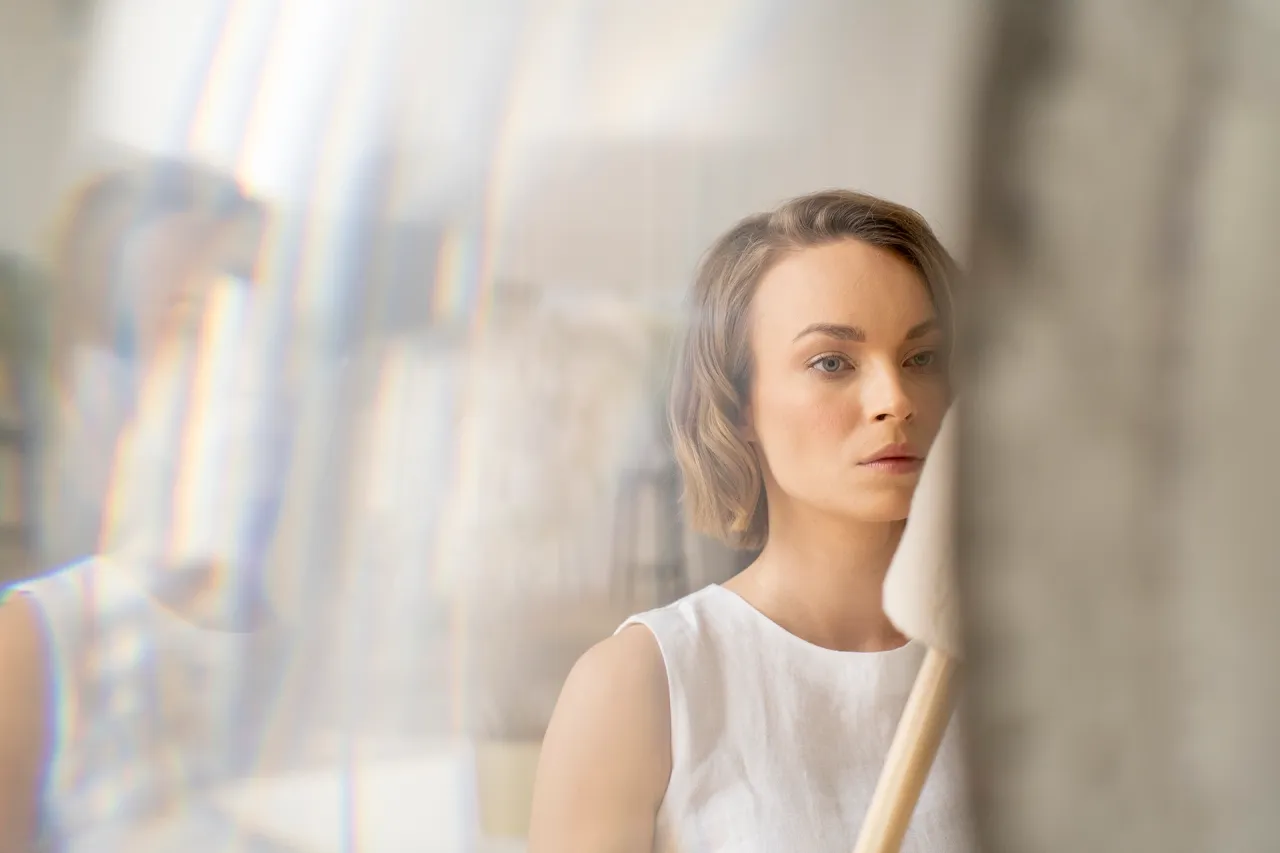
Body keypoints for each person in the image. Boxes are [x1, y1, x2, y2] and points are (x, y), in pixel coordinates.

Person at [528, 190, 974, 852]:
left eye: (923, 357)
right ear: (738, 404)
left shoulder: (1028, 670)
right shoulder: (643, 685)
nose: (894, 400)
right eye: (832, 361)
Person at [0, 166, 289, 852]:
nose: (232, 360)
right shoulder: (42, 647)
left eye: (249, 309)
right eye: (187, 326)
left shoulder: (346, 640)